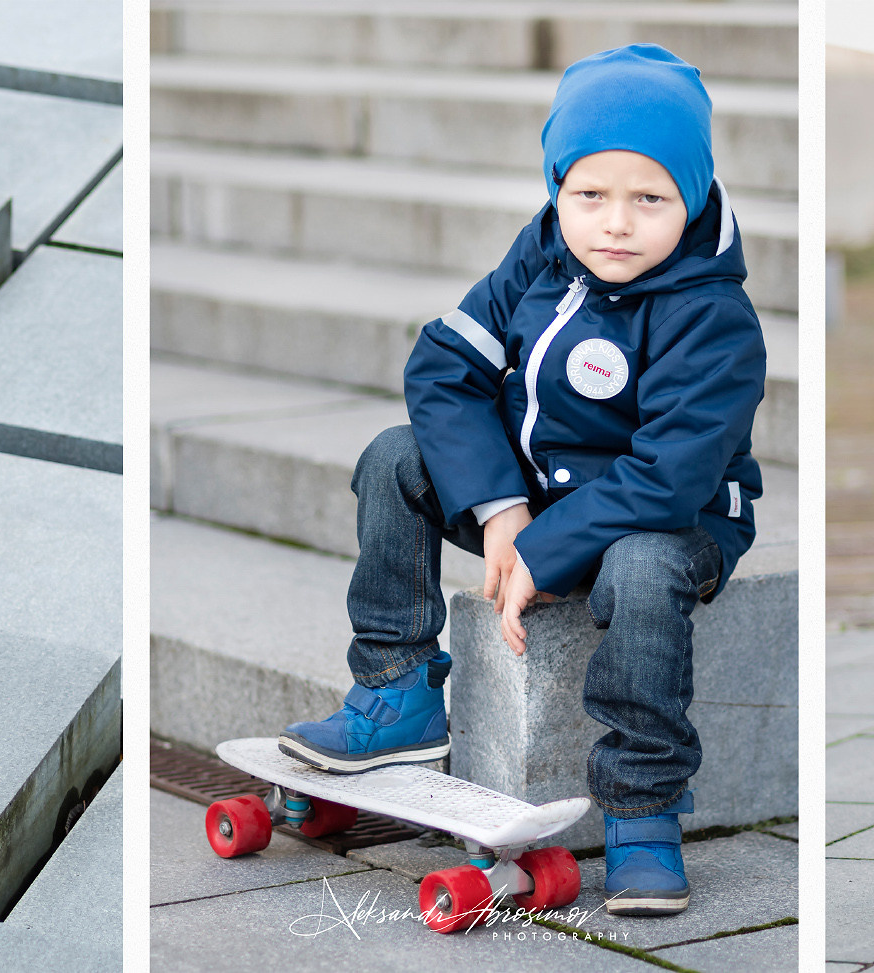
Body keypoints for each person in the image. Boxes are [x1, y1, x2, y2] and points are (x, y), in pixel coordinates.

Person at [276, 44, 765, 917]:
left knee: (644, 568)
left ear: (689, 199)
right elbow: (443, 367)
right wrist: (502, 512)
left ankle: (644, 808)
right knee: (396, 455)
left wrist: (547, 546)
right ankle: (397, 692)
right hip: (537, 494)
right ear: (556, 189)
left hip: (669, 516)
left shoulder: (713, 316)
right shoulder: (539, 257)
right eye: (590, 196)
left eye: (649, 199)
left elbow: (668, 476)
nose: (615, 223)